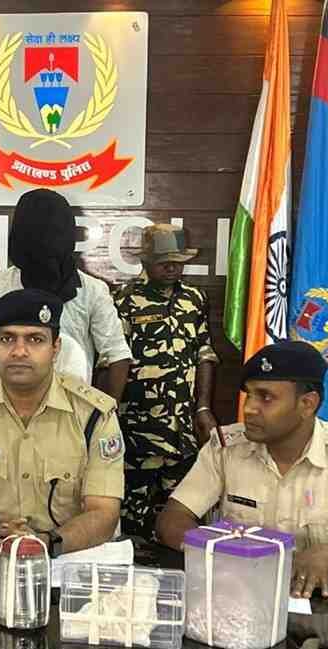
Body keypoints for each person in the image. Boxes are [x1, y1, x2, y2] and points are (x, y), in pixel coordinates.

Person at [156, 340, 328, 599]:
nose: (248, 408)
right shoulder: (225, 448)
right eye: (249, 394)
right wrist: (224, 550)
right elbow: (172, 520)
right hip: (239, 598)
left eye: (266, 397)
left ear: (307, 404)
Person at [0, 288, 124, 557]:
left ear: (55, 348)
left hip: (63, 557)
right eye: (6, 339)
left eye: (35, 339)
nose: (19, 351)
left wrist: (44, 542)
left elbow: (104, 513)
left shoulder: (94, 415)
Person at [112, 223, 219, 541]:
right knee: (132, 527)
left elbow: (205, 354)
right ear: (145, 261)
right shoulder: (125, 301)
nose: (172, 267)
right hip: (138, 432)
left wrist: (203, 407)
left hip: (182, 432)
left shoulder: (194, 299)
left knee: (181, 522)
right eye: (164, 261)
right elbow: (115, 362)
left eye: (178, 261)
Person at [0, 188, 131, 400]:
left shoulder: (91, 290)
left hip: (73, 409)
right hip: (7, 408)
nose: (42, 240)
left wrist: (104, 413)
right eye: (32, 231)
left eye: (52, 232)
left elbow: (117, 355)